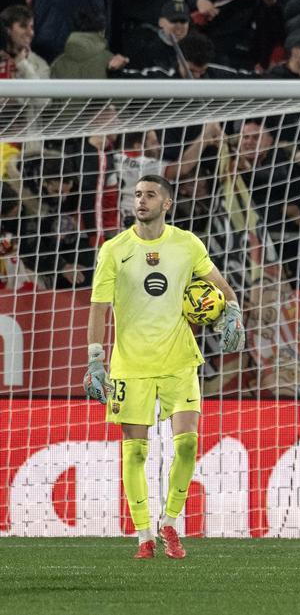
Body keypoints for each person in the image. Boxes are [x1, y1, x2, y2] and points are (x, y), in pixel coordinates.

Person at [83, 174, 245, 559]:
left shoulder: (187, 244)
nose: (141, 200)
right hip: (130, 365)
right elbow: (99, 308)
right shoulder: (113, 249)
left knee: (187, 444)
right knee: (135, 451)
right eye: (137, 194)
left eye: (150, 195)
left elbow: (222, 286)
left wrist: (234, 313)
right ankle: (143, 536)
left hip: (179, 361)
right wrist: (95, 359)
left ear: (167, 203)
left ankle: (170, 521)